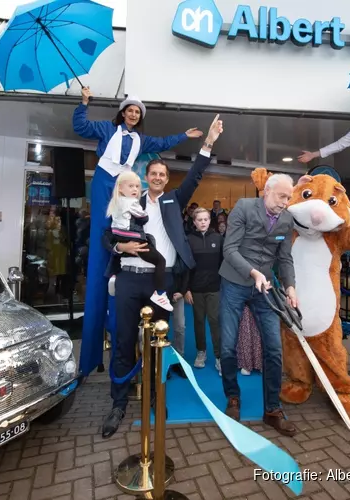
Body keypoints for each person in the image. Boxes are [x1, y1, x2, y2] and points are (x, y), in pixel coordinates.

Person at [100, 115, 224, 438]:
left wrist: (207, 142)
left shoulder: (173, 200)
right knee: (125, 340)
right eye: (152, 173)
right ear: (144, 177)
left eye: (162, 174)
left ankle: (156, 396)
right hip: (128, 278)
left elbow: (196, 175)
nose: (156, 177)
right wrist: (120, 246)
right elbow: (106, 236)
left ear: (167, 180)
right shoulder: (130, 201)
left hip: (163, 282)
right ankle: (118, 403)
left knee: (159, 343)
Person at [73, 87, 204, 376]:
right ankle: (111, 266)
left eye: (137, 112)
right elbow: (80, 126)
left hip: (123, 185)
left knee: (131, 225)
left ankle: (119, 265)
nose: (133, 114)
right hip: (105, 182)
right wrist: (84, 102)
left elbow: (163, 141)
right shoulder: (106, 129)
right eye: (130, 110)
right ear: (123, 113)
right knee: (105, 234)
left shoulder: (141, 140)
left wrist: (184, 136)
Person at [218, 174, 298, 436]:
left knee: (274, 349)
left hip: (265, 289)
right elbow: (229, 249)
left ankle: (272, 410)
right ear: (266, 191)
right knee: (228, 348)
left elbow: (284, 258)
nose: (285, 203)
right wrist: (253, 273)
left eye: (289, 198)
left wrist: (290, 287)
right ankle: (233, 397)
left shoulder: (287, 219)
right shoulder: (243, 207)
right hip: (234, 282)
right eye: (281, 196)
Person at [106, 170, 172, 311]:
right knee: (160, 260)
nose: (135, 189)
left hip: (152, 275)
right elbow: (106, 236)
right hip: (129, 270)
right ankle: (160, 293)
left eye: (136, 186)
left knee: (157, 328)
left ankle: (159, 293)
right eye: (131, 186)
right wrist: (121, 247)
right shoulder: (133, 202)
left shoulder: (115, 203)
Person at [185, 207, 223, 371]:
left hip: (214, 287)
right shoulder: (188, 240)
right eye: (199, 220)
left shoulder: (218, 238)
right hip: (196, 289)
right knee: (199, 321)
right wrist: (186, 288)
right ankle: (201, 352)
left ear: (210, 220)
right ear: (194, 222)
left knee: (215, 321)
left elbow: (224, 263)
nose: (202, 222)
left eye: (205, 219)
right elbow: (185, 266)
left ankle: (219, 356)